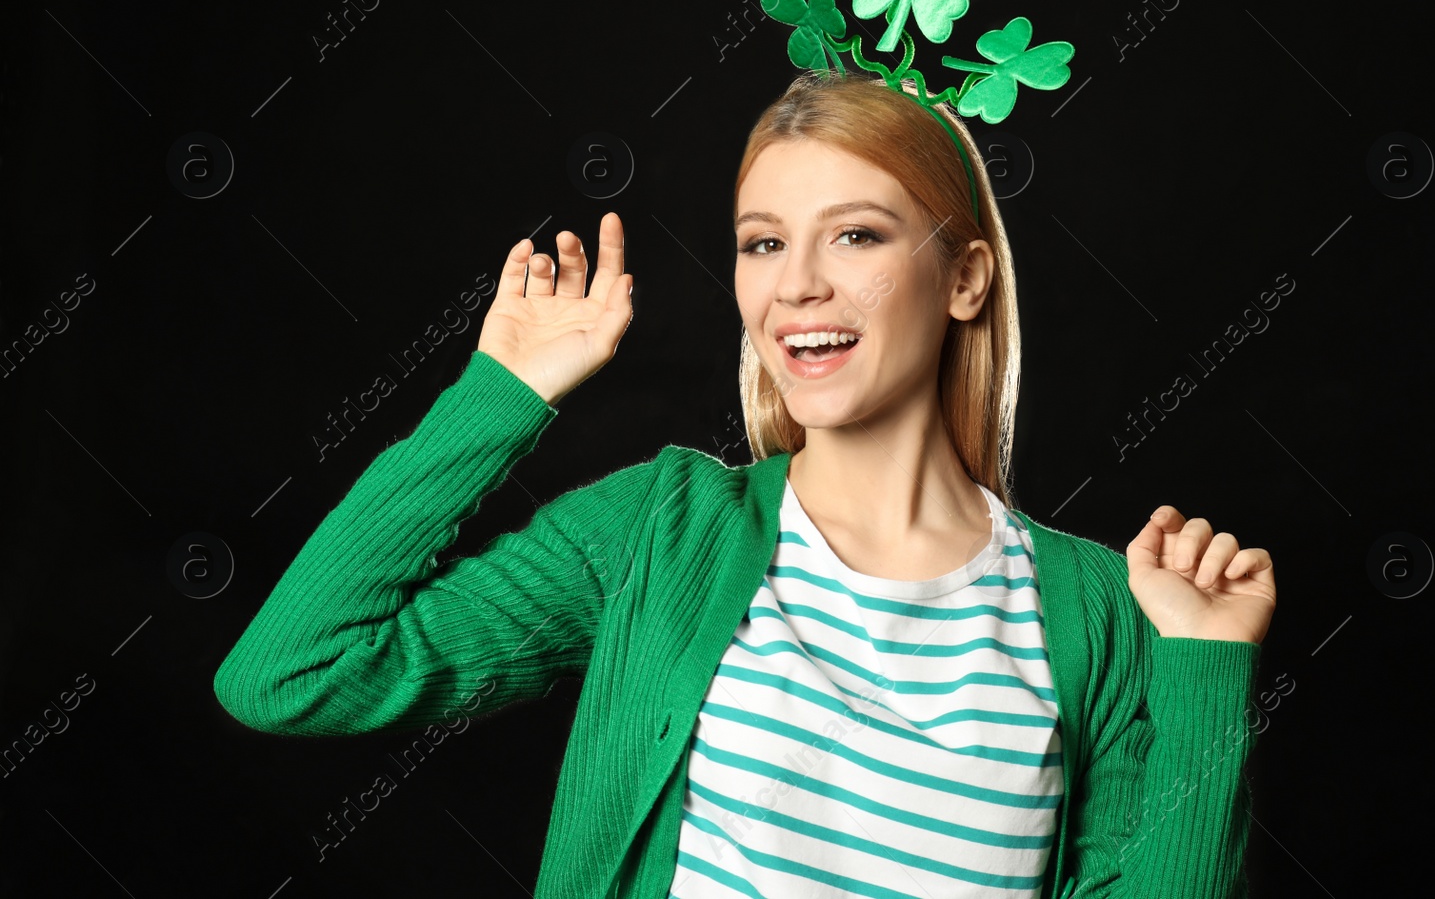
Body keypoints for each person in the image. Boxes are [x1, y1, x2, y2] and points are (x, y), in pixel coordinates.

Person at [213, 70, 1276, 899]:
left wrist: (1205, 672)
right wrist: (502, 394)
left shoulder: (1095, 610)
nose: (797, 283)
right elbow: (292, 671)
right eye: (763, 242)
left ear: (963, 277)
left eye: (855, 233)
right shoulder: (661, 532)